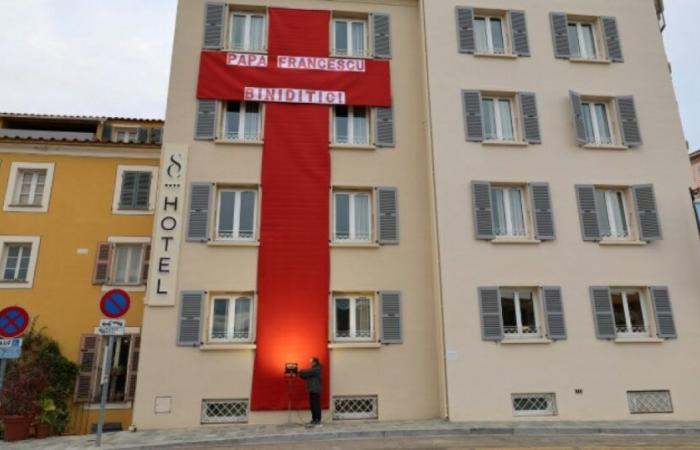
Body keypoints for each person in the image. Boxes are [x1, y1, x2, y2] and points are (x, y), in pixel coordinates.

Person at [299, 356, 322, 427]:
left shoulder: (317, 369)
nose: (310, 363)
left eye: (311, 362)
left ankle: (318, 420)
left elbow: (308, 372)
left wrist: (300, 371)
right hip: (312, 389)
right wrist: (300, 374)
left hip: (316, 390)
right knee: (312, 405)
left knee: (316, 405)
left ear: (315, 362)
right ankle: (314, 419)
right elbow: (305, 375)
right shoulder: (313, 369)